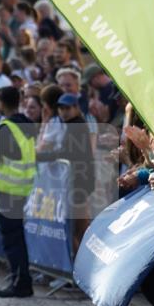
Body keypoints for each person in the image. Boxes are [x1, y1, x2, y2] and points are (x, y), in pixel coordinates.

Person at [0, 85, 37, 298]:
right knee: (18, 237)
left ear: (0, 103)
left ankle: (20, 282)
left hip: (8, 189)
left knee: (11, 239)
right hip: (23, 187)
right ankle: (22, 279)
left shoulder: (5, 126)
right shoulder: (27, 124)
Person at [37, 92, 95, 255]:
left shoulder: (77, 125)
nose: (64, 111)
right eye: (61, 108)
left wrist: (40, 156)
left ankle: (81, 268)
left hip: (79, 183)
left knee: (78, 230)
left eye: (67, 108)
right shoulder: (73, 124)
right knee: (76, 229)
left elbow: (66, 153)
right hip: (77, 182)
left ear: (76, 108)